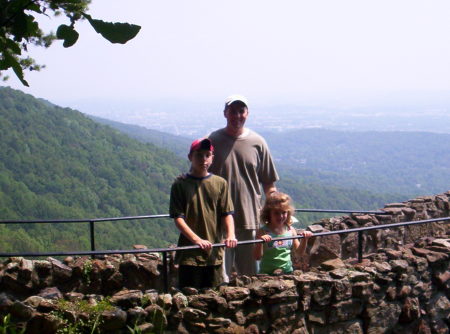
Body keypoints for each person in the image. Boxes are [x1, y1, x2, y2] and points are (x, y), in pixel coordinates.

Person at [208, 94, 279, 277]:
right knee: (220, 277)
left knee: (250, 276)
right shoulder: (213, 141)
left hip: (250, 220)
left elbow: (269, 184)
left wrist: (274, 212)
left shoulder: (258, 143)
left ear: (247, 113)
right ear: (225, 113)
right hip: (219, 221)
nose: (237, 115)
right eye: (233, 111)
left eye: (241, 111)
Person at [169, 138, 237, 289]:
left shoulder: (220, 183)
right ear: (190, 157)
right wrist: (196, 240)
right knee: (190, 299)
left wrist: (231, 235)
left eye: (207, 155)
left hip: (214, 253)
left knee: (214, 297)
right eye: (199, 155)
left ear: (213, 157)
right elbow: (178, 218)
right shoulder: (180, 185)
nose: (203, 159)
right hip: (189, 255)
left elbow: (227, 213)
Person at [253, 192, 313, 275]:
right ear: (268, 213)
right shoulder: (262, 231)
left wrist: (305, 239)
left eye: (284, 212)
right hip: (266, 274)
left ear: (288, 213)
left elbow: (299, 253)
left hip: (287, 272)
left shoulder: (290, 230)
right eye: (276, 213)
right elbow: (257, 257)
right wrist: (260, 242)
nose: (281, 216)